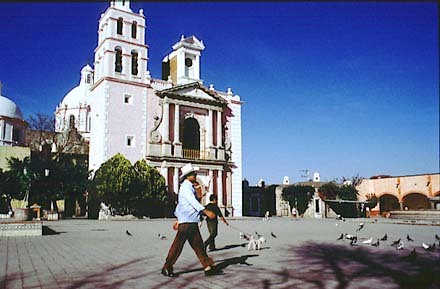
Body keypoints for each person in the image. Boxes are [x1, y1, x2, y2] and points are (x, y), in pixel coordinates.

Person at [161, 163, 221, 278]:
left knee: (198, 245)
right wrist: (206, 211)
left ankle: (207, 267)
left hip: (190, 221)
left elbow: (180, 206)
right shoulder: (186, 187)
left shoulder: (188, 187)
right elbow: (192, 202)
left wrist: (178, 219)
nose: (195, 174)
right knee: (178, 246)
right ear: (188, 175)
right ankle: (167, 266)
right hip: (188, 221)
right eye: (194, 173)